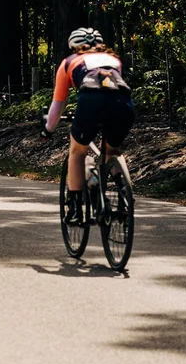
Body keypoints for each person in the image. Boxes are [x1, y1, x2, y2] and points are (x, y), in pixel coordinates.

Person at [43, 27, 135, 224]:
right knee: (112, 150)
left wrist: (48, 129)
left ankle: (75, 210)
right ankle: (125, 195)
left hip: (91, 103)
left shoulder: (69, 62)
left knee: (77, 151)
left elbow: (58, 103)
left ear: (74, 47)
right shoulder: (115, 61)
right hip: (124, 105)